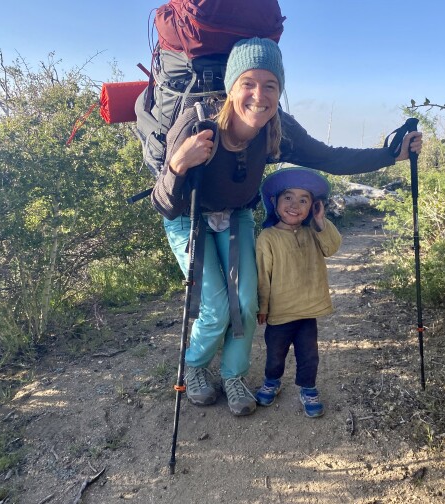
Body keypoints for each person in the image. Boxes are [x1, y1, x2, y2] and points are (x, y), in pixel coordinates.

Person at [151, 37, 422, 417]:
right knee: (214, 307)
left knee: (245, 304)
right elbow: (164, 204)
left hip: (237, 215)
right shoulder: (198, 124)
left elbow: (329, 157)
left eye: (270, 85)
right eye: (248, 83)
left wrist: (391, 154)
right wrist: (179, 163)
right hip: (187, 218)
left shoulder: (278, 127)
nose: (258, 95)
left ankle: (233, 375)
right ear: (231, 86)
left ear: (280, 90)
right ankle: (194, 366)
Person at [254, 167, 339, 418]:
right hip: (280, 313)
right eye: (288, 197)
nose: (295, 205)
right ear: (274, 202)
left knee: (309, 355)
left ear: (313, 206)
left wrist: (321, 221)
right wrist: (263, 305)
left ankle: (309, 389)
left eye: (304, 200)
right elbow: (263, 275)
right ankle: (272, 381)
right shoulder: (267, 237)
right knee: (275, 353)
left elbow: (332, 247)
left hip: (308, 310)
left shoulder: (314, 231)